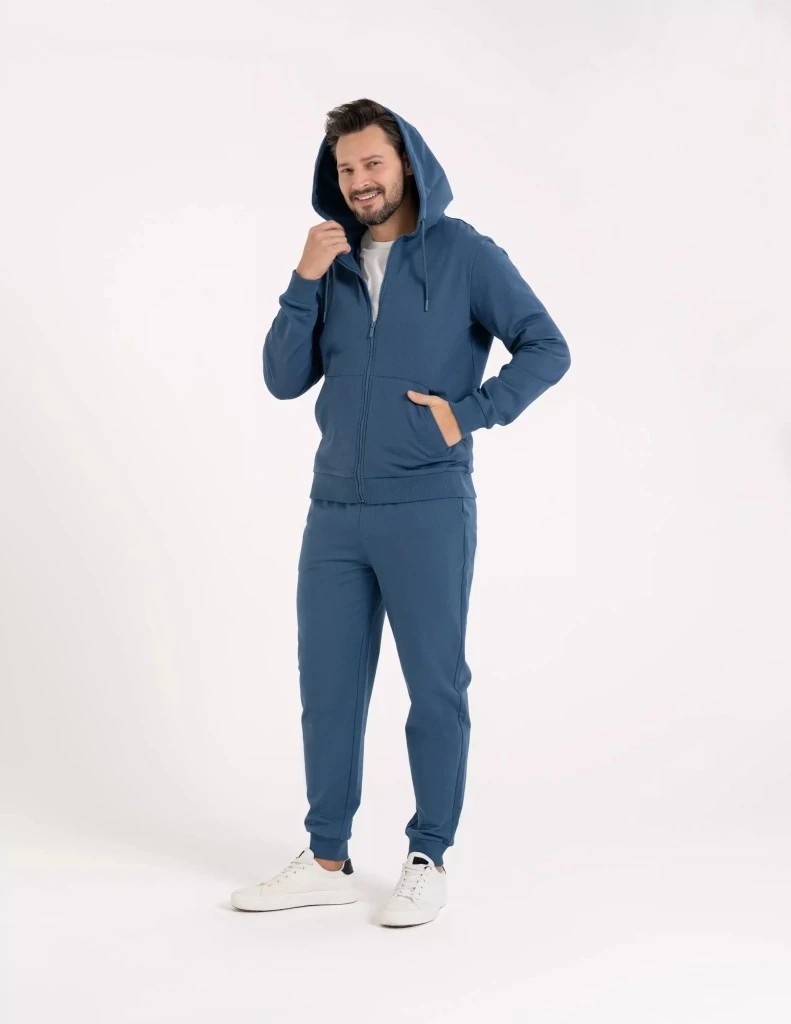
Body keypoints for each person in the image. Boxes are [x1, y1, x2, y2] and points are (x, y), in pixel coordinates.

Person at [231, 98, 571, 926]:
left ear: (406, 164)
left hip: (426, 503)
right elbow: (281, 378)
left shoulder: (463, 253)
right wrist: (303, 280)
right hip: (333, 511)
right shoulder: (331, 262)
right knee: (328, 690)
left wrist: (470, 413)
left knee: (435, 687)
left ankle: (428, 856)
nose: (359, 181)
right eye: (345, 168)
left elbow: (546, 346)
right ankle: (326, 857)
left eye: (372, 163)